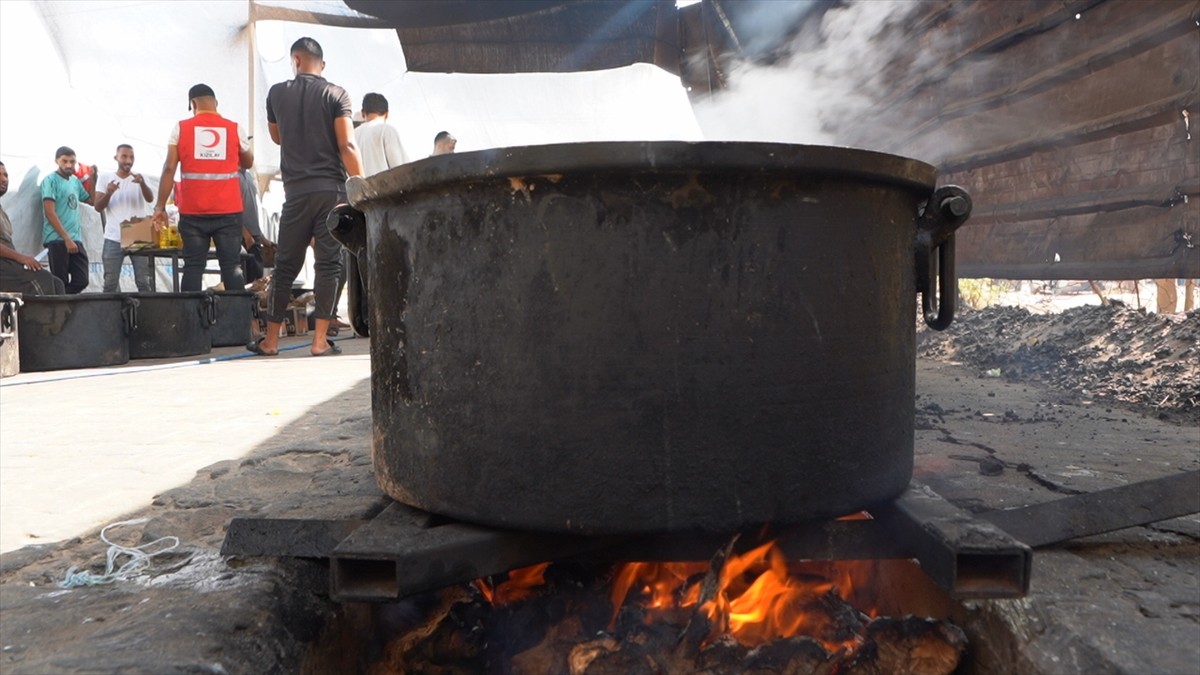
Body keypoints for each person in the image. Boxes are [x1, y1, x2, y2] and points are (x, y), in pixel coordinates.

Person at [250, 37, 364, 357]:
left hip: (295, 193)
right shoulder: (336, 94)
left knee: (286, 265)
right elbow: (348, 146)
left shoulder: (276, 93)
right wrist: (361, 186)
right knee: (328, 265)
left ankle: (270, 342)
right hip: (331, 191)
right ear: (321, 65)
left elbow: (277, 136)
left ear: (295, 61)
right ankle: (319, 342)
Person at [152, 83, 253, 293]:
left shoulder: (181, 128)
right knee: (231, 267)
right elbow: (248, 161)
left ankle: (192, 323)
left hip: (193, 213)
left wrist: (159, 207)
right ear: (215, 103)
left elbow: (169, 167)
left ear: (193, 104)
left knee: (193, 267)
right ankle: (236, 323)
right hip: (228, 212)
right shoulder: (234, 128)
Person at [93, 144, 153, 292]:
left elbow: (150, 198)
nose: (128, 160)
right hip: (114, 237)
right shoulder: (105, 178)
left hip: (138, 236)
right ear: (116, 158)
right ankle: (111, 314)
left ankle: (148, 313)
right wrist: (109, 193)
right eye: (124, 156)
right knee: (110, 283)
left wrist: (142, 184)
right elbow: (98, 207)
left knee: (143, 282)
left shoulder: (140, 177)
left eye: (131, 157)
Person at [1, 161, 66, 295]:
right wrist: (22, 258)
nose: (3, 179)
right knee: (42, 279)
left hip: (7, 264)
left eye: (5, 175)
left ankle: (61, 316)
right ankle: (43, 316)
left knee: (57, 283)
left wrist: (27, 261)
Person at [40, 146, 94, 294]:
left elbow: (91, 200)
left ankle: (61, 301)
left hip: (75, 238)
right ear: (57, 161)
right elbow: (49, 212)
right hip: (57, 239)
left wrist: (93, 178)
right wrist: (66, 238)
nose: (69, 165)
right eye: (65, 161)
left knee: (82, 279)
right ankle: (59, 309)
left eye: (72, 161)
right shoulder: (50, 180)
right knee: (60, 280)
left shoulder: (75, 181)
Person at [355, 92, 406, 175]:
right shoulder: (386, 130)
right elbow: (400, 168)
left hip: (359, 187)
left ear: (363, 113)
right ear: (387, 114)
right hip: (386, 187)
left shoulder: (353, 135)